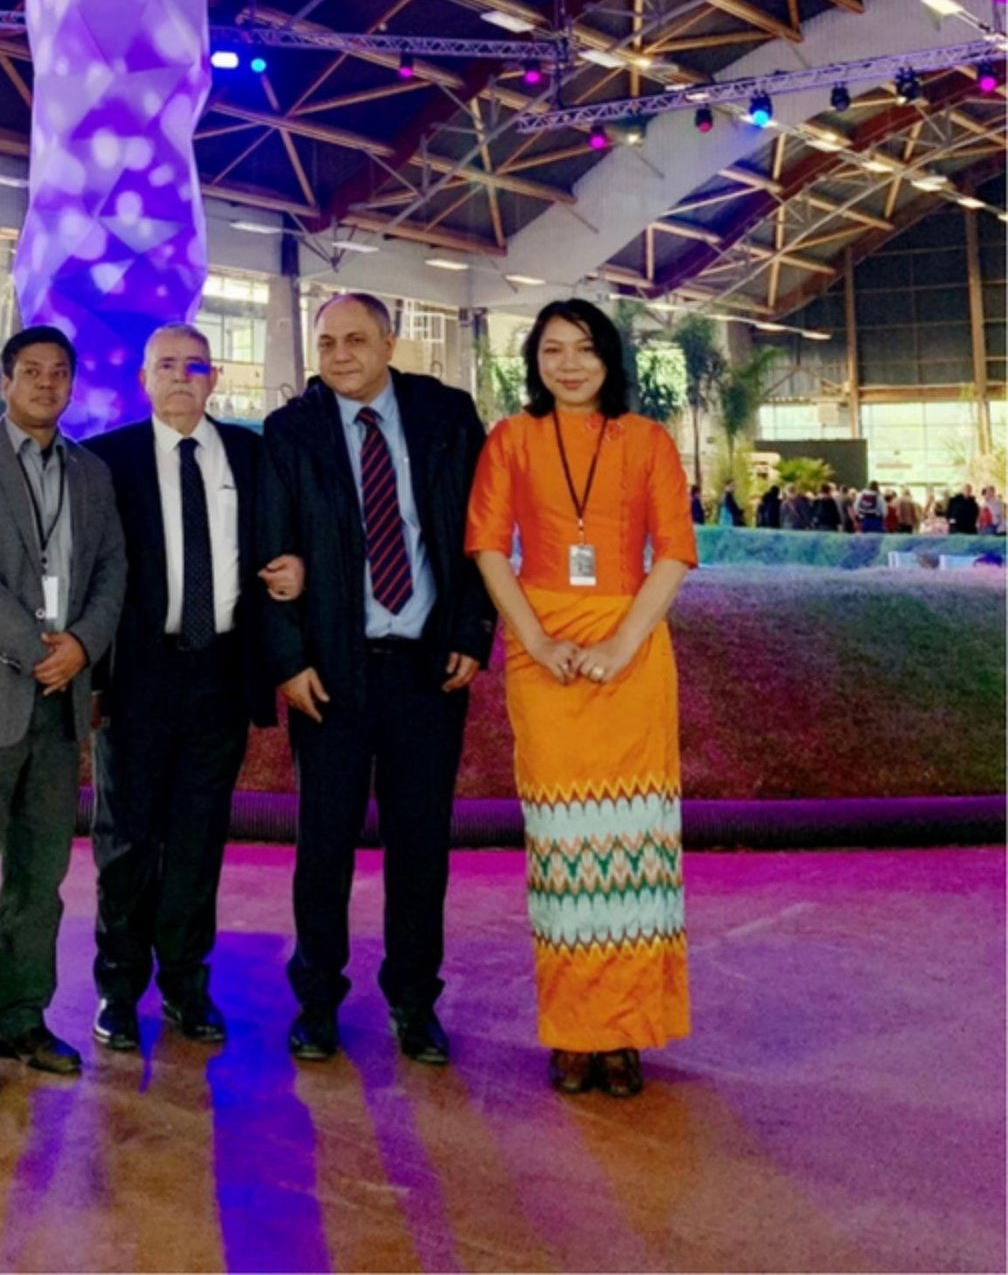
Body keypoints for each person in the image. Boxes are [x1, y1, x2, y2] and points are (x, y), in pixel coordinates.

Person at [467, 298, 696, 1100]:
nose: (568, 364)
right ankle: (573, 1033)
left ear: (610, 359)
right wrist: (538, 644)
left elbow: (673, 553)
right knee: (566, 855)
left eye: (585, 349)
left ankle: (626, 1035)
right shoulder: (512, 440)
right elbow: (489, 550)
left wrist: (620, 645)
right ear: (533, 360)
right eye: (552, 349)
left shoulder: (648, 442)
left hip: (632, 655)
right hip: (544, 655)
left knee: (635, 852)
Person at [259, 293, 495, 1066]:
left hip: (427, 673)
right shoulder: (291, 431)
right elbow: (273, 549)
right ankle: (317, 1002)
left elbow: (483, 533)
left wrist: (471, 631)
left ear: (392, 343)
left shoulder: (447, 417)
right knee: (322, 846)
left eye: (356, 340)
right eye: (326, 342)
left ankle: (413, 1001)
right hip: (332, 676)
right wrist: (290, 661)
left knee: (421, 847)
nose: (339, 355)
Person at [0, 325, 125, 1106]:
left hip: (60, 703)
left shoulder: (93, 475)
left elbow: (112, 570)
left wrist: (82, 646)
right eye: (31, 371)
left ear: (72, 385)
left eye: (59, 372)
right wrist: (37, 647)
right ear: (5, 381)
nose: (46, 382)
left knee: (41, 883)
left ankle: (20, 1018)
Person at [83, 323, 302, 1053]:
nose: (182, 377)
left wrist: (291, 567)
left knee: (199, 839)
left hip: (220, 674)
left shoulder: (248, 451)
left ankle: (185, 983)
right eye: (167, 366)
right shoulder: (105, 459)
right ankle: (118, 989)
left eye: (195, 366)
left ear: (215, 379)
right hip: (136, 677)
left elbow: (279, 539)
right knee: (127, 840)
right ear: (144, 380)